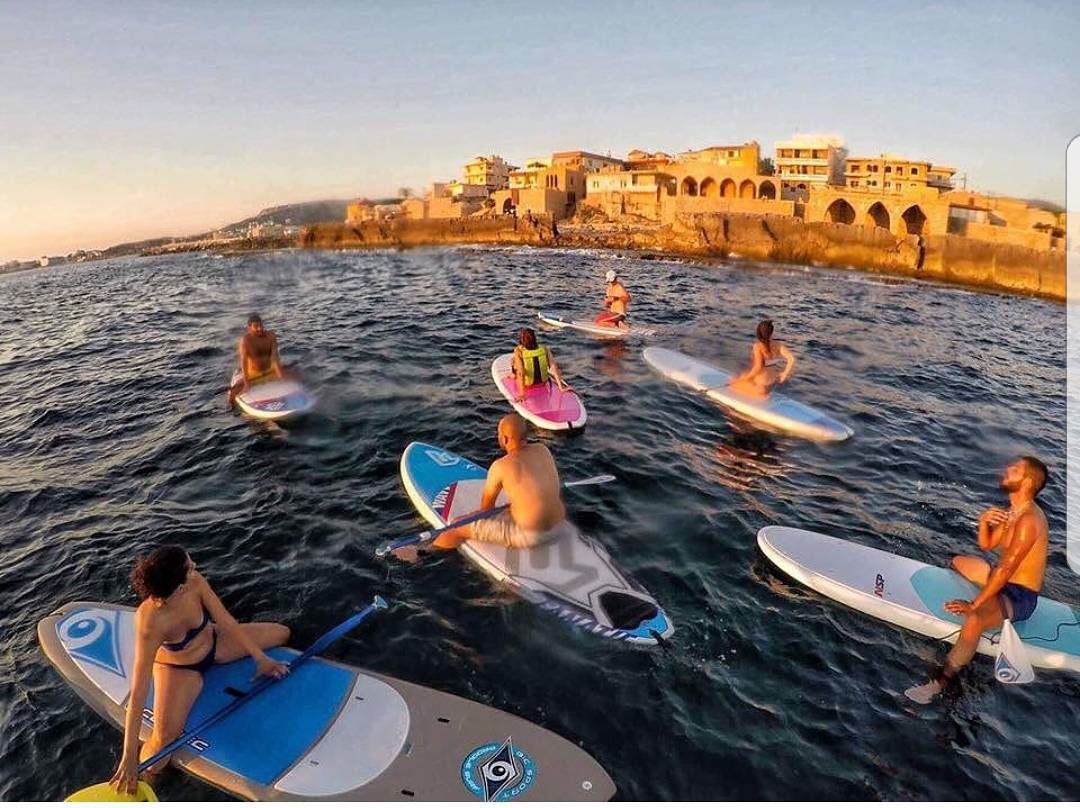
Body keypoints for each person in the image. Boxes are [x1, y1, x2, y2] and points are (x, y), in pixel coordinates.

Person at [109, 546, 290, 794]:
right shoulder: (149, 622)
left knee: (282, 633)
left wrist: (261, 659)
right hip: (180, 668)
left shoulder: (193, 581)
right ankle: (142, 778)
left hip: (215, 644)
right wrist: (128, 755)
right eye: (189, 565)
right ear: (178, 585)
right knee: (162, 745)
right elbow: (139, 691)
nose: (194, 565)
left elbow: (225, 620)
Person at [904, 457, 1050, 704]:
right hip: (1000, 578)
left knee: (974, 621)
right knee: (959, 562)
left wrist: (975, 604)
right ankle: (984, 598)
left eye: (1014, 470)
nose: (1007, 469)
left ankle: (941, 682)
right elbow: (988, 544)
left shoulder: (1029, 521)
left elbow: (1005, 569)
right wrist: (984, 521)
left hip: (1019, 595)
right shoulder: (1013, 511)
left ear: (1027, 482)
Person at [392, 414, 577, 562]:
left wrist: (470, 520)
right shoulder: (543, 450)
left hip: (532, 537)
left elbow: (486, 510)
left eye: (498, 433)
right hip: (559, 525)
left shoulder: (501, 466)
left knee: (458, 525)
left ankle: (422, 554)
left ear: (504, 438)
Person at [227, 314, 287, 407]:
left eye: (261, 326)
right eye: (256, 327)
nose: (260, 329)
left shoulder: (271, 336)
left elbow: (275, 357)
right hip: (253, 373)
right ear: (249, 328)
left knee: (295, 374)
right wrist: (246, 384)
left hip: (270, 370)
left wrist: (281, 376)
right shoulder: (245, 340)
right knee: (232, 394)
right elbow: (244, 363)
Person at [728, 319, 795, 399]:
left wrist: (743, 379)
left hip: (761, 387)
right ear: (771, 332)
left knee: (732, 383)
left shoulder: (758, 346)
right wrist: (785, 374)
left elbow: (758, 368)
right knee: (744, 376)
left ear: (759, 333)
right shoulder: (778, 345)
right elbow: (792, 359)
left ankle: (760, 397)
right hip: (773, 385)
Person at [511, 327, 572, 403]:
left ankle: (513, 376)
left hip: (528, 385)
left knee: (513, 361)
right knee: (515, 360)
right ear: (534, 338)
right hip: (543, 383)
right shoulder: (544, 348)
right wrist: (561, 387)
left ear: (521, 340)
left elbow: (521, 373)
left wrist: (522, 394)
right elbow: (553, 367)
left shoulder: (518, 351)